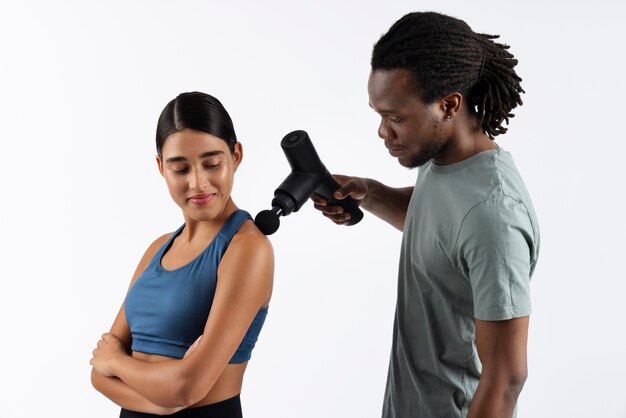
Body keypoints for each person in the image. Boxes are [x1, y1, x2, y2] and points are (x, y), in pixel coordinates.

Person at [312, 12, 539, 418]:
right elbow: (442, 231)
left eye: (395, 117)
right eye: (379, 114)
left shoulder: (494, 216)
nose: (383, 131)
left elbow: (506, 378)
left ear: (449, 104)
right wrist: (371, 193)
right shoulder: (441, 160)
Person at [90, 91, 274, 418]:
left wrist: (118, 362)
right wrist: (164, 403)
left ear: (236, 156)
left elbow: (188, 386)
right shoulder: (156, 250)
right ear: (161, 167)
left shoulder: (247, 248)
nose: (198, 183)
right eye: (180, 169)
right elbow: (97, 374)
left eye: (212, 163)